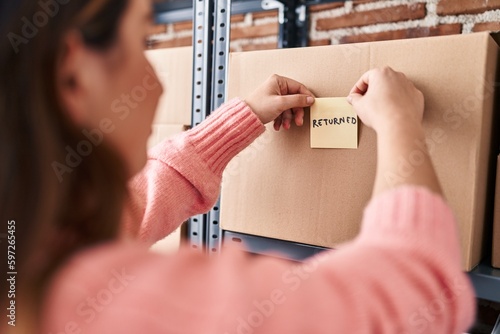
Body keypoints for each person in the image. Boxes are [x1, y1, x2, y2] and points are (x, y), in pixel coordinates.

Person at [0, 0, 476, 333]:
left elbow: (138, 206)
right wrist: (400, 126)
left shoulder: (23, 245)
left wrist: (242, 116)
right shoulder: (110, 306)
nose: (157, 84)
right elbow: (414, 298)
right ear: (73, 71)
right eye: (143, 40)